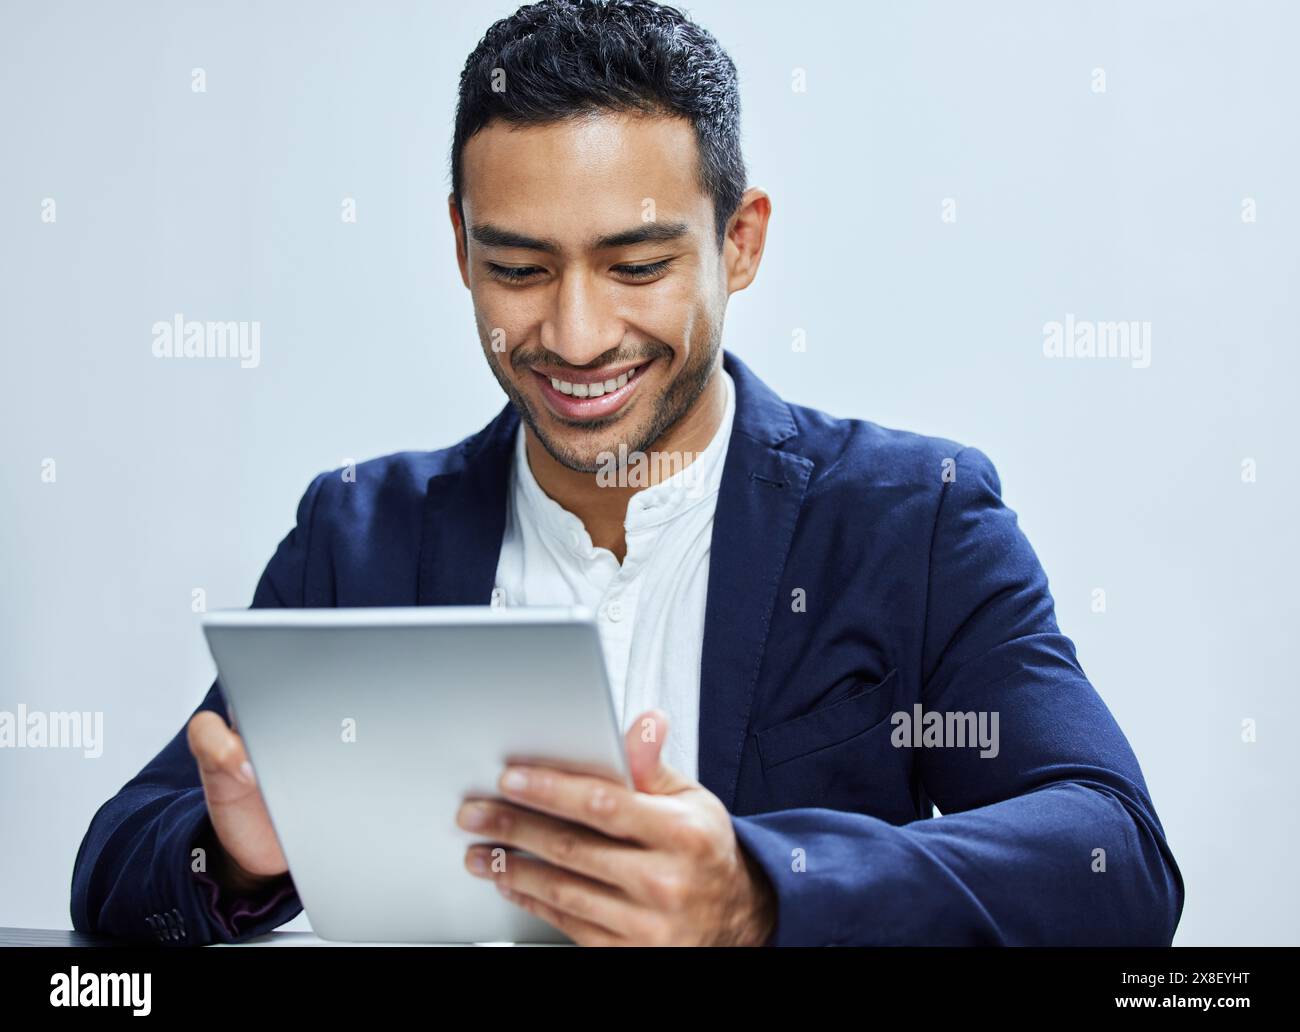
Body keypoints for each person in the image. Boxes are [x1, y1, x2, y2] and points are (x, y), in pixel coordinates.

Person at [71, 0, 1184, 946]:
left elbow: (1112, 851)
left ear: (738, 242)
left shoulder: (913, 519)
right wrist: (235, 851)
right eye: (517, 267)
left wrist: (760, 890)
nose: (575, 331)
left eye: (636, 264)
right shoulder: (356, 532)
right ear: (460, 248)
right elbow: (116, 859)